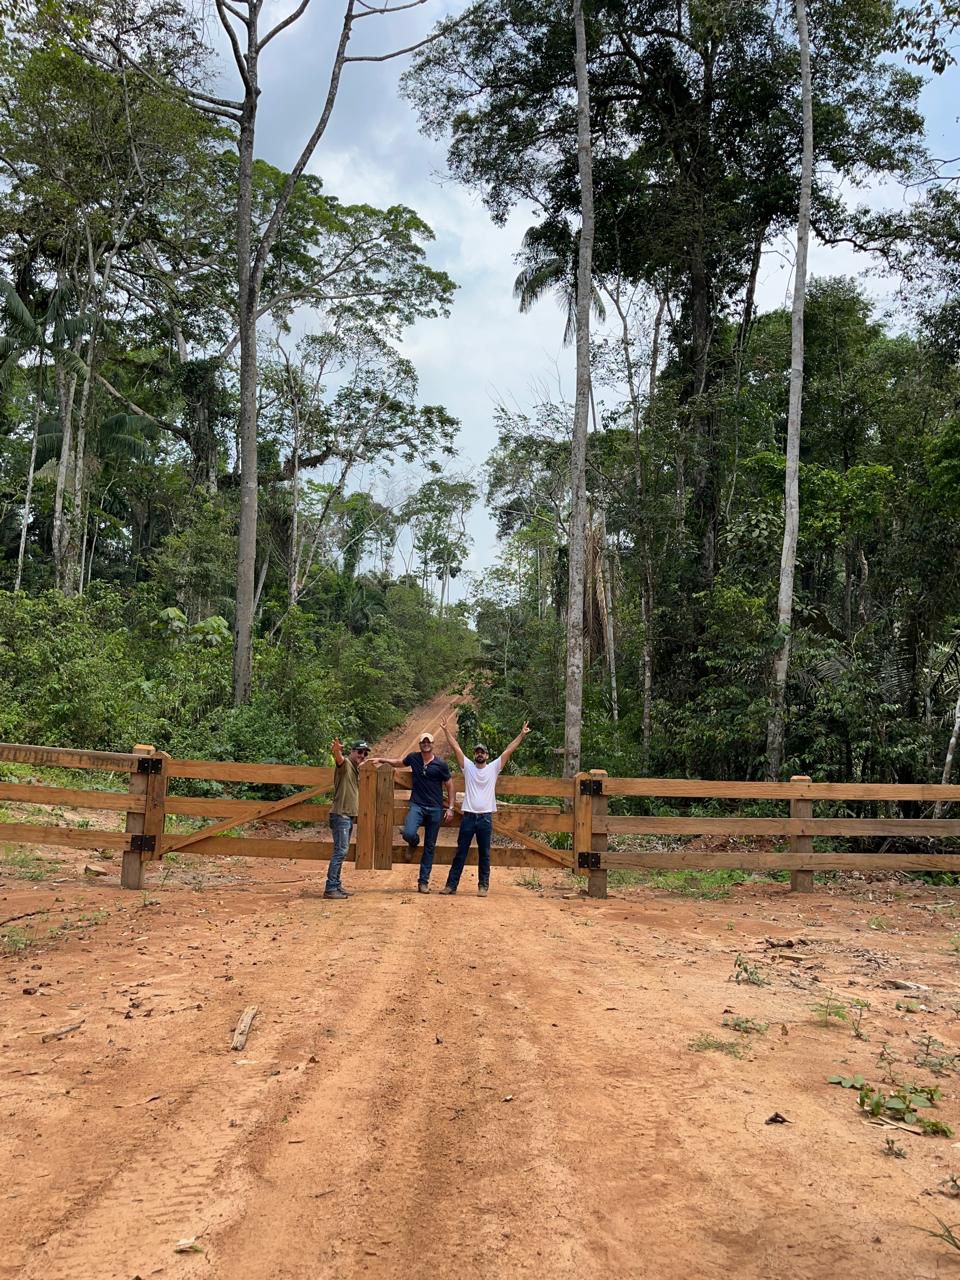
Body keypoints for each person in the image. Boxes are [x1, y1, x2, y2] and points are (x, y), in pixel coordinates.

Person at [438, 717, 530, 897]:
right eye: (477, 752)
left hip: (485, 817)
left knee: (484, 853)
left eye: (482, 752)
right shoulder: (468, 768)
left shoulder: (493, 768)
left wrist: (521, 734)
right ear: (474, 755)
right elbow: (456, 747)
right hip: (469, 817)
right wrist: (445, 731)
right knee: (460, 852)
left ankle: (483, 885)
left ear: (487, 755)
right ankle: (451, 885)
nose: (480, 754)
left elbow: (508, 751)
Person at [372, 732, 454, 893]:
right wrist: (382, 759)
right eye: (423, 742)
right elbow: (399, 763)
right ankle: (413, 841)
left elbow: (450, 785)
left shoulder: (440, 764)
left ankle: (423, 882)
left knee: (430, 846)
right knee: (409, 832)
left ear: (432, 744)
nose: (425, 744)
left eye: (428, 741)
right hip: (417, 805)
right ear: (419, 744)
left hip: (436, 808)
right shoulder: (414, 758)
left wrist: (450, 808)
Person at [325, 738, 370, 900]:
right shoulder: (346, 765)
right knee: (340, 852)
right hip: (341, 815)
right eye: (359, 752)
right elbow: (339, 759)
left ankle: (336, 885)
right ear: (351, 751)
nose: (362, 755)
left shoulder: (356, 769)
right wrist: (336, 750)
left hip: (347, 816)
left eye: (364, 753)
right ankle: (330, 887)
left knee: (341, 852)